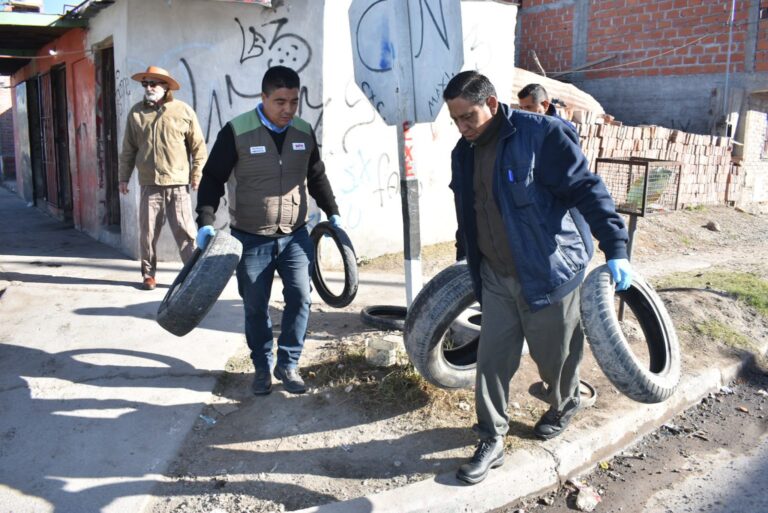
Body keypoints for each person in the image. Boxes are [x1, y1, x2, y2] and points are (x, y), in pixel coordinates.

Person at [443, 70, 633, 485]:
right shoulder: (464, 151)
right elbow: (470, 207)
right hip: (495, 274)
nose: (462, 127)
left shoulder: (541, 135)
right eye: (454, 120)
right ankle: (491, 438)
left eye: (467, 117)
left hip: (548, 274)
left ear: (492, 104)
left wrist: (615, 247)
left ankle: (564, 403)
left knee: (556, 358)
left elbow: (586, 188)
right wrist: (466, 252)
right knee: (492, 359)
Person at [195, 65, 340, 396]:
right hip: (250, 237)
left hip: (295, 235)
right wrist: (205, 220)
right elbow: (213, 178)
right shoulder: (237, 131)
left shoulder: (303, 132)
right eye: (280, 102)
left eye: (294, 101)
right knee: (255, 306)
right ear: (263, 98)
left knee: (300, 298)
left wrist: (333, 212)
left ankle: (288, 364)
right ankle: (262, 366)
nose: (288, 109)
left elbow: (316, 175)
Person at [118, 65, 207, 290]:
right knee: (147, 233)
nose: (148, 87)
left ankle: (192, 274)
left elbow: (198, 147)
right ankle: (148, 275)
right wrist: (123, 178)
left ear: (166, 86)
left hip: (177, 183)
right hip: (150, 184)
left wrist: (197, 174)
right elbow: (128, 149)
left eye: (153, 83)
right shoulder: (136, 113)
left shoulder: (183, 111)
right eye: (145, 83)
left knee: (186, 233)